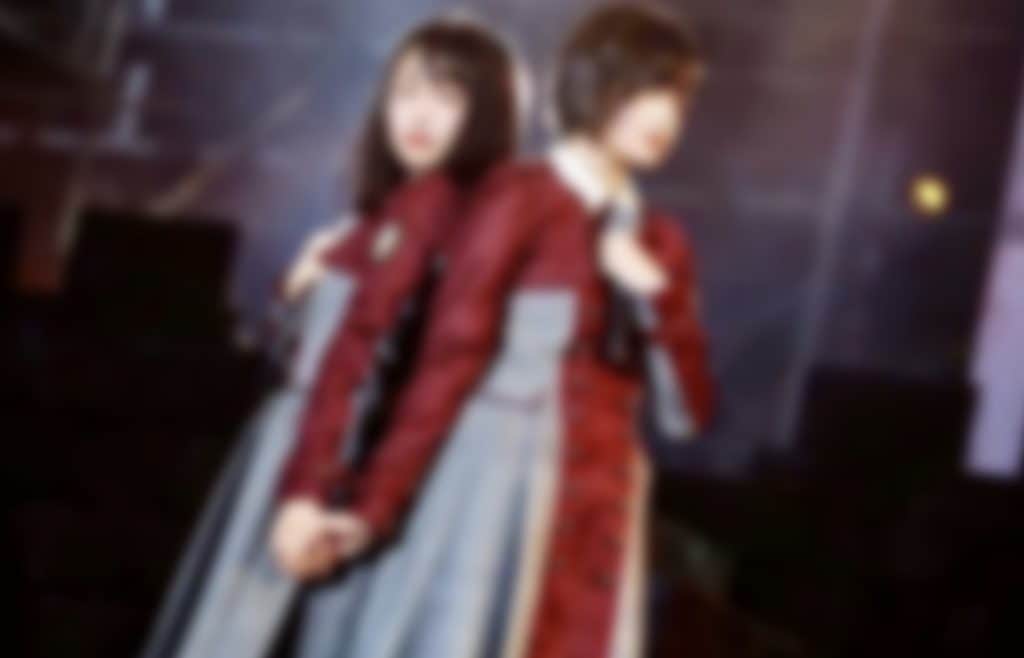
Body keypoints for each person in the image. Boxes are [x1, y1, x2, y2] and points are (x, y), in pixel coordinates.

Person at [284, 5, 716, 658]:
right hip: (493, 497)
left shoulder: (662, 241)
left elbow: (688, 417)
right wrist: (373, 509)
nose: (665, 118)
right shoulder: (517, 195)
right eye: (645, 90)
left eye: (677, 99)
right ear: (592, 83)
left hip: (601, 520)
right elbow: (445, 364)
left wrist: (656, 294)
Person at [139, 16, 519, 658]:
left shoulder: (435, 209)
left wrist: (314, 489)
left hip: (325, 459)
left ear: (485, 113)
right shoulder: (382, 219)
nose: (419, 114)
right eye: (406, 91)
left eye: (447, 97)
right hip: (299, 449)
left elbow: (371, 363)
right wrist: (302, 287)